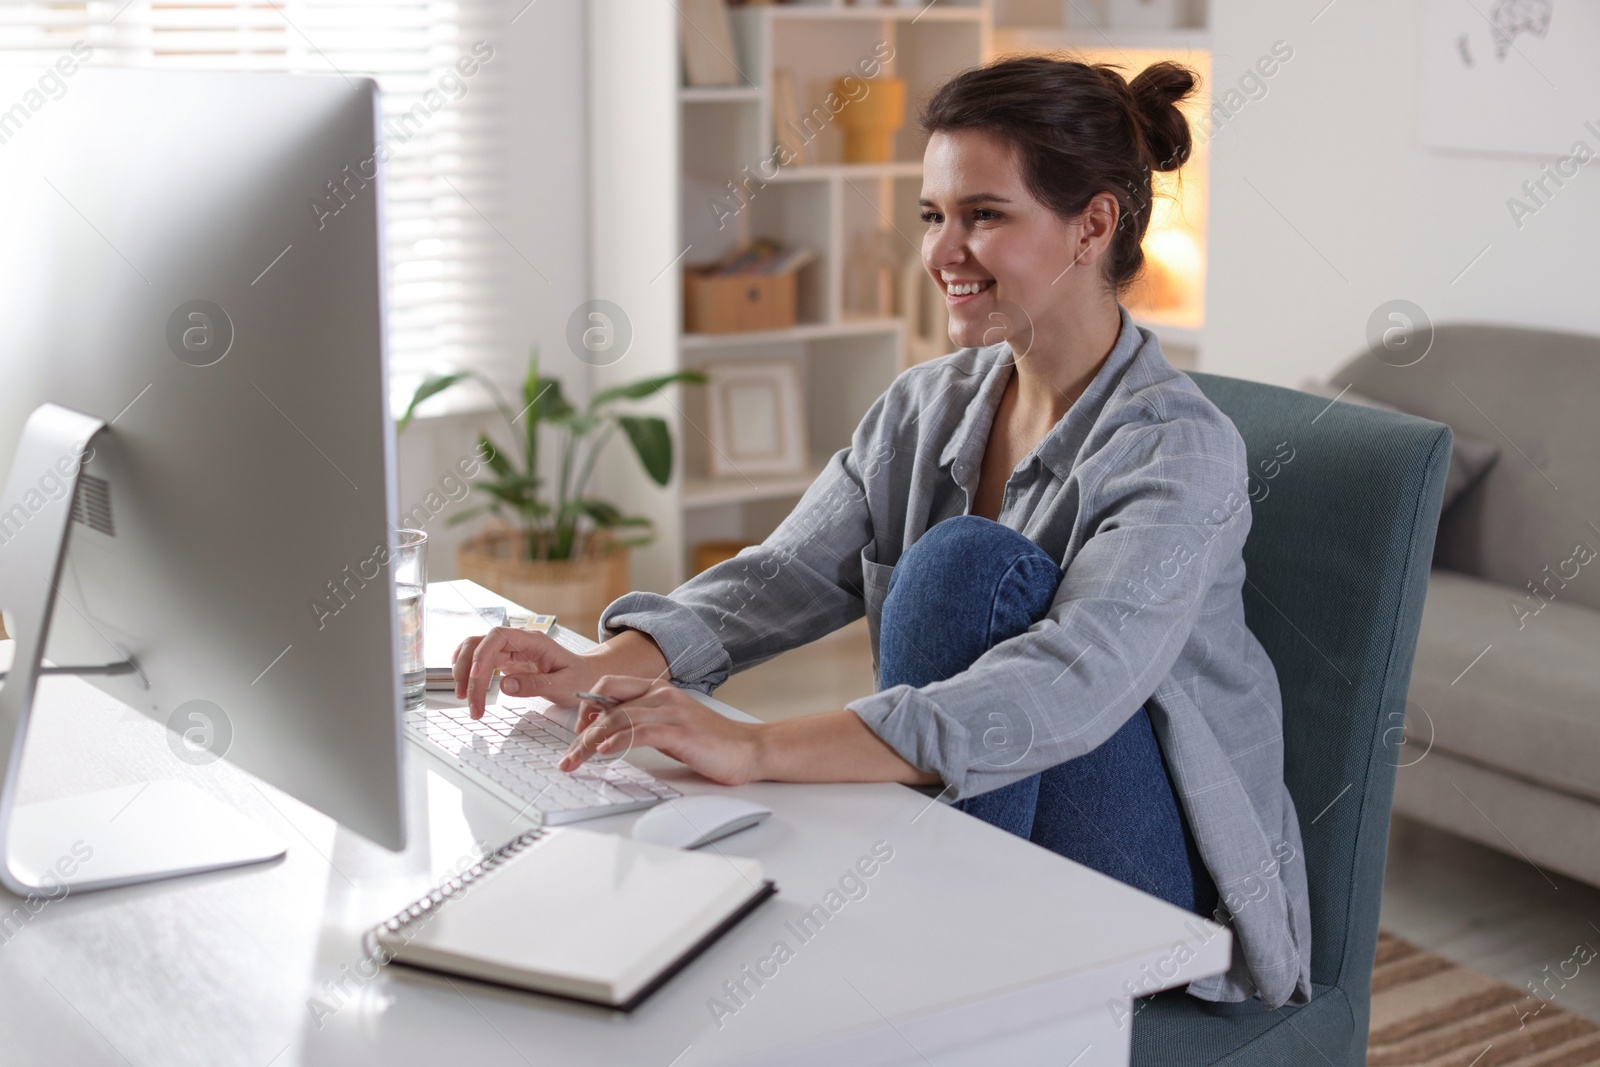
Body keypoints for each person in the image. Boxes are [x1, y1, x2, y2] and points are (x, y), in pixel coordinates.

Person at [453, 54, 1311, 1009]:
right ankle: (924, 964)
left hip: (1159, 879)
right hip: (987, 841)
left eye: (985, 215)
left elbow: (1070, 681)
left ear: (1093, 224)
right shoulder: (925, 405)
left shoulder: (1179, 449)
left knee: (961, 564)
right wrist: (615, 658)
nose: (944, 252)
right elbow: (784, 569)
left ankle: (926, 977)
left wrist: (762, 747)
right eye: (933, 216)